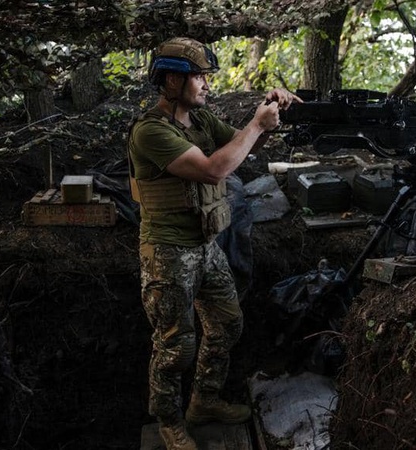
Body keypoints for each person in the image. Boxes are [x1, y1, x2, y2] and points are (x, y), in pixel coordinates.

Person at [127, 37, 301, 450]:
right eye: (199, 77)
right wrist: (256, 124)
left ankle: (203, 400)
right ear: (171, 80)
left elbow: (242, 146)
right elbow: (213, 169)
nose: (207, 85)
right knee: (175, 345)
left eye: (207, 77)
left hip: (205, 247)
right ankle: (169, 422)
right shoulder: (150, 131)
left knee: (227, 323)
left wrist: (272, 111)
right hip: (167, 254)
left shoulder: (201, 122)